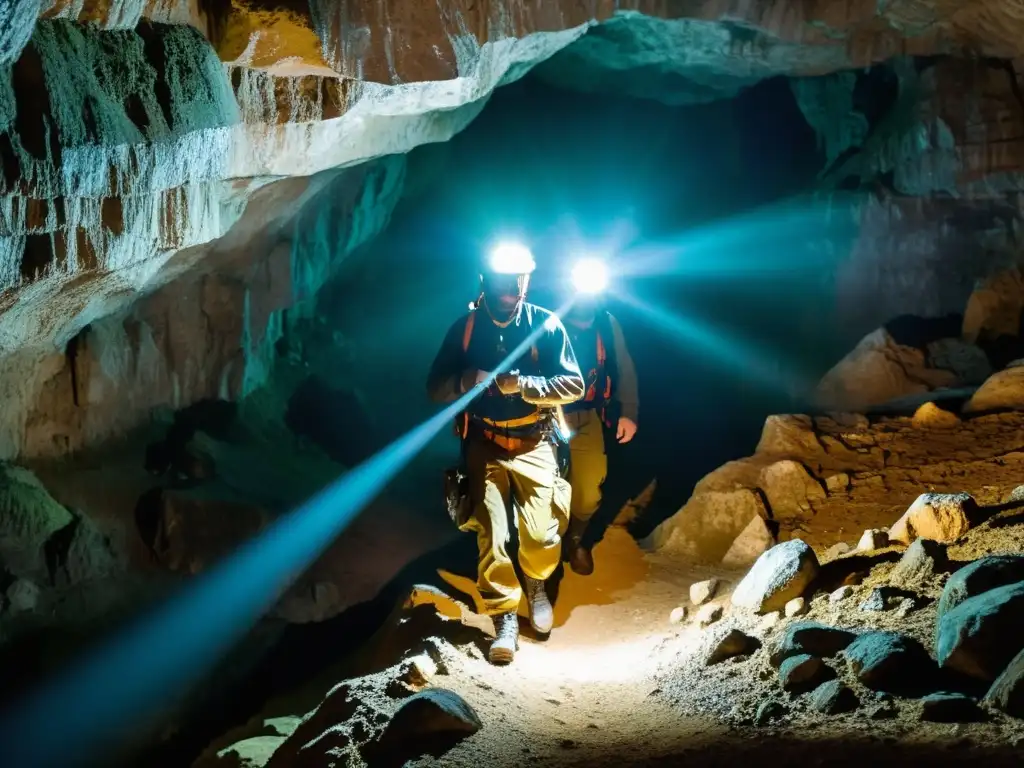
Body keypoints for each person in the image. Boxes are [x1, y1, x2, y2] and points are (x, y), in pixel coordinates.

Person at [426, 243, 584, 665]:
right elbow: (434, 387)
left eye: (514, 286)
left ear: (525, 284)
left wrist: (525, 385)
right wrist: (467, 379)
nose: (507, 295)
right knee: (492, 534)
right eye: (500, 286)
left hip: (534, 442)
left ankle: (535, 584)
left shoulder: (545, 326)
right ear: (485, 282)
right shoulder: (465, 330)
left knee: (540, 536)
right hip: (485, 443)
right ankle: (504, 619)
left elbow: (574, 385)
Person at [561, 289, 638, 575]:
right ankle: (543, 548)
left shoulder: (606, 323)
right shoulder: (544, 318)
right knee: (545, 487)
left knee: (589, 490)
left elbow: (623, 367)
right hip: (543, 416)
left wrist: (629, 412)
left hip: (586, 414)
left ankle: (576, 539)